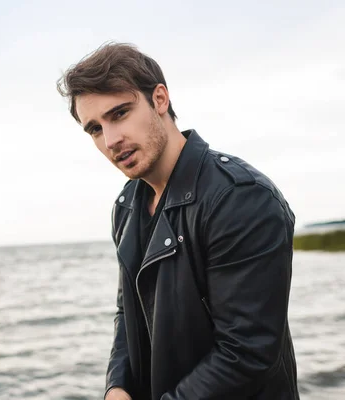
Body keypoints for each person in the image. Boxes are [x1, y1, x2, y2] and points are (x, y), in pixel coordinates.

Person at [56, 42, 300, 400]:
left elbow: (246, 353)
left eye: (120, 113)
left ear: (159, 99)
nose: (110, 140)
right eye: (95, 129)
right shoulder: (127, 207)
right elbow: (130, 314)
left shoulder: (240, 197)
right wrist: (117, 386)